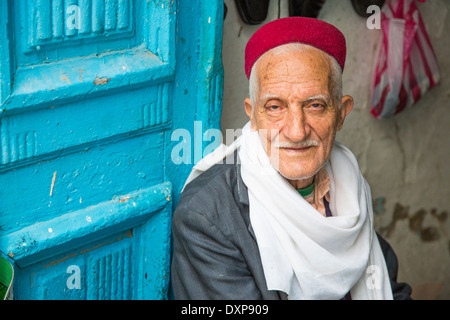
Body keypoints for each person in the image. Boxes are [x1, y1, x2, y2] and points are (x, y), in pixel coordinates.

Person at [171, 17, 412, 300]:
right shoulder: (206, 215)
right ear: (253, 114)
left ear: (341, 113)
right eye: (275, 107)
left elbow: (386, 282)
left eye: (315, 105)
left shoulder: (347, 180)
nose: (297, 132)